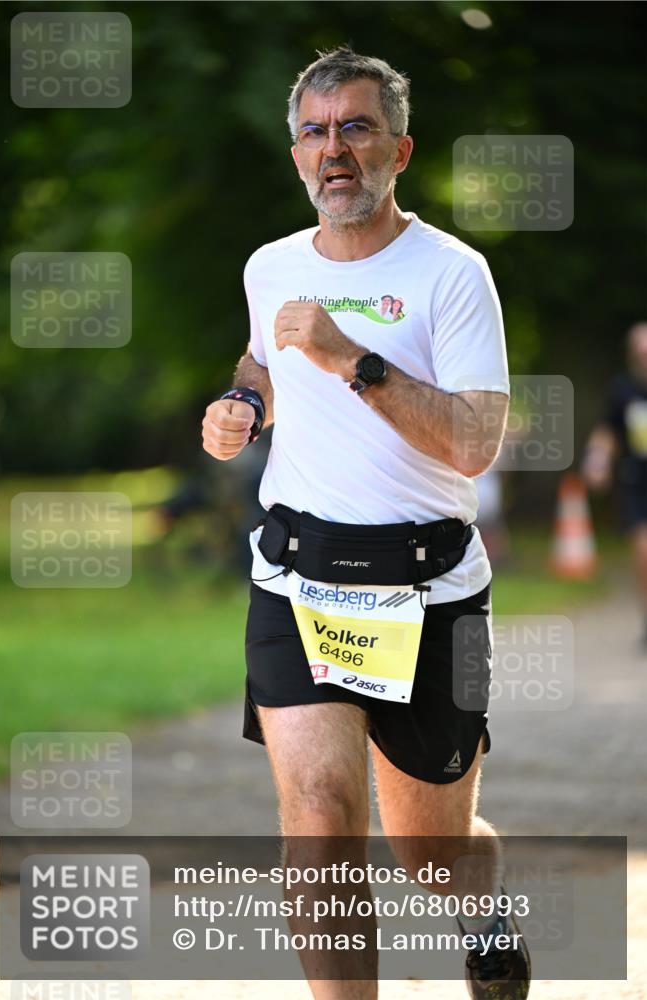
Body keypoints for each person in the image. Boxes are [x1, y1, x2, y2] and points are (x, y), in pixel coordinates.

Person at [202, 46, 530, 1000]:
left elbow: (474, 442)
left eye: (355, 127)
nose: (332, 147)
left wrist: (357, 359)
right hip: (299, 574)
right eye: (314, 130)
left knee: (429, 854)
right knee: (318, 814)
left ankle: (479, 902)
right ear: (295, 153)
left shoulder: (452, 274)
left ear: (399, 150)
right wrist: (241, 405)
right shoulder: (271, 266)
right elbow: (263, 359)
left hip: (428, 590)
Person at [582, 321, 647, 649]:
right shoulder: (623, 390)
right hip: (637, 481)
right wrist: (598, 460)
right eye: (640, 350)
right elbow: (607, 432)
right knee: (643, 552)